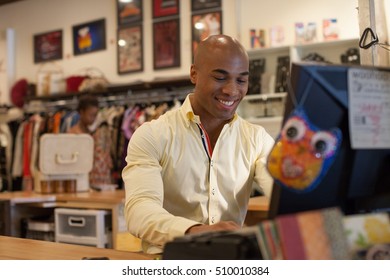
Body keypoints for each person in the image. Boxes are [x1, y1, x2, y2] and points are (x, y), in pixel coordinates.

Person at [122, 34, 275, 254]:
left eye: (241, 80)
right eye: (220, 78)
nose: (232, 90)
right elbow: (139, 211)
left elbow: (282, 192)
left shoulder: (257, 139)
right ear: (194, 74)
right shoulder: (153, 135)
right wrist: (196, 231)